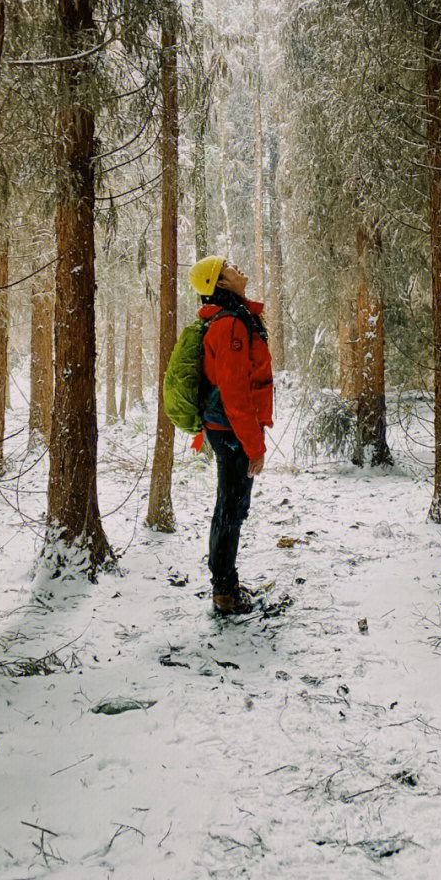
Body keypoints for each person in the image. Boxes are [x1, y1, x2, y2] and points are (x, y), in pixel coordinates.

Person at [188, 254, 274, 615]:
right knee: (230, 508)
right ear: (220, 284)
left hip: (230, 428)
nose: (237, 267)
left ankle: (226, 584)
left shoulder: (236, 319)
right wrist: (254, 445)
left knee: (232, 506)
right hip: (232, 431)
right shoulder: (230, 327)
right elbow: (236, 391)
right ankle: (223, 592)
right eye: (228, 268)